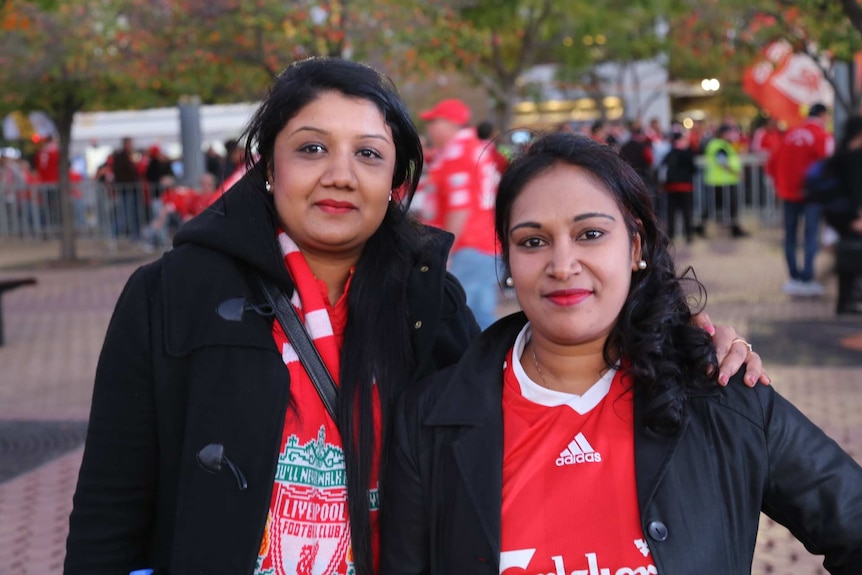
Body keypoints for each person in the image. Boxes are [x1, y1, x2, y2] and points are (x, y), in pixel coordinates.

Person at [64, 60, 763, 575]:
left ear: (395, 179)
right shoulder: (167, 293)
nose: (340, 173)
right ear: (267, 164)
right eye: (311, 148)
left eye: (368, 154)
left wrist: (675, 339)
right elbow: (108, 509)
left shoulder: (431, 302)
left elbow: (530, 377)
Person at [379, 133, 862, 575]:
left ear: (635, 247)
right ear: (506, 259)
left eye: (590, 234)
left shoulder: (720, 391)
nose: (563, 265)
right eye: (533, 241)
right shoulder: (429, 421)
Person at [421, 98, 501, 329]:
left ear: (450, 123)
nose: (430, 128)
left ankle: (489, 364)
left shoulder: (458, 153)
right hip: (480, 243)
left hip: (469, 245)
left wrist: (444, 252)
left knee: (464, 319)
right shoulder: (470, 148)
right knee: (476, 316)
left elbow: (460, 209)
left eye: (434, 122)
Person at [773, 103, 832, 297]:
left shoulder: (790, 134)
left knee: (790, 236)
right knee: (810, 236)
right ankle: (807, 277)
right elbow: (828, 164)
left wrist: (780, 185)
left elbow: (773, 162)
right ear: (823, 115)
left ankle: (794, 277)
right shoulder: (822, 136)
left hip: (788, 192)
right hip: (811, 195)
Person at [825, 115, 862, 314]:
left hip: (841, 217)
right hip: (852, 218)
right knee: (851, 256)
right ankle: (847, 301)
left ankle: (846, 301)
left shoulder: (840, 155)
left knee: (848, 256)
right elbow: (853, 191)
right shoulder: (851, 158)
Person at [699, 123, 749, 239]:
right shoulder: (719, 145)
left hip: (721, 181)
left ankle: (701, 227)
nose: (730, 135)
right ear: (723, 134)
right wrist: (736, 172)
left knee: (714, 206)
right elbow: (722, 161)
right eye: (728, 132)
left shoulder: (721, 144)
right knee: (725, 206)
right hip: (721, 181)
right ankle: (734, 228)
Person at [660, 130, 697, 244]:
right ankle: (688, 235)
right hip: (686, 186)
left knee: (671, 212)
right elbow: (694, 169)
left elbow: (662, 168)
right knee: (686, 211)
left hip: (671, 187)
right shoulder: (687, 154)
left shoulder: (669, 154)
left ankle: (671, 234)